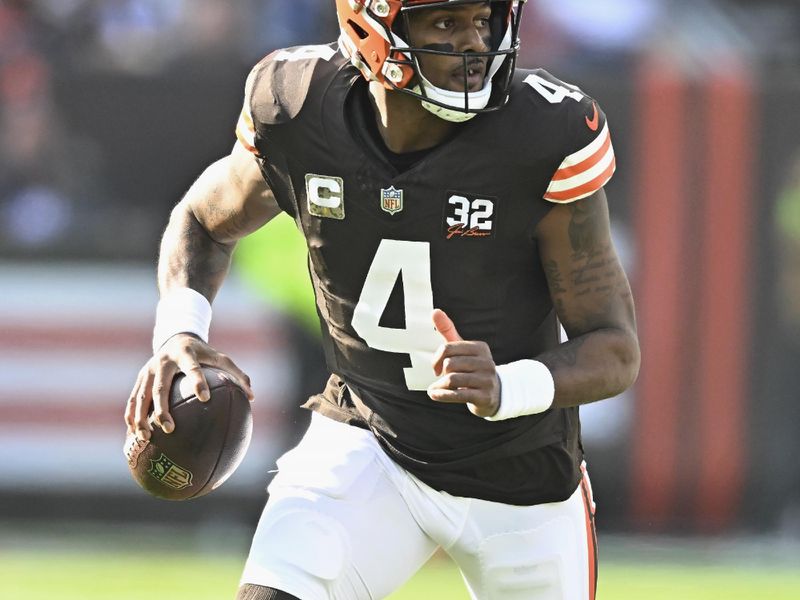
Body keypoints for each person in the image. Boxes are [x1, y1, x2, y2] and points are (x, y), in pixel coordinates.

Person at [125, 1, 640, 599]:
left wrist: (508, 384)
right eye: (446, 23)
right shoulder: (298, 105)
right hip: (370, 441)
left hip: (522, 477)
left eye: (484, 19)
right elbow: (204, 219)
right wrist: (180, 332)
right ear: (374, 31)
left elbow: (615, 349)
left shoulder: (541, 135)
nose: (476, 42)